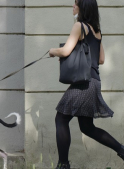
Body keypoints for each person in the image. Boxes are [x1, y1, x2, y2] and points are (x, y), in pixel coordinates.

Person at [48, 0, 124, 169]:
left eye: (75, 4)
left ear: (82, 7)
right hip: (94, 82)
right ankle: (122, 150)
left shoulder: (79, 26)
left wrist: (52, 51)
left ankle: (63, 165)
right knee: (87, 127)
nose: (73, 7)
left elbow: (65, 51)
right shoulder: (97, 31)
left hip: (83, 83)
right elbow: (101, 59)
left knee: (61, 119)